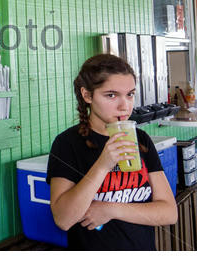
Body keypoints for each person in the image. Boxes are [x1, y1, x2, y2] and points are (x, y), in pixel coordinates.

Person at [47, 54, 177, 250]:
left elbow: (169, 213)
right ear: (87, 95)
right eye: (111, 95)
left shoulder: (141, 139)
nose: (124, 106)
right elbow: (64, 219)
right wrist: (102, 165)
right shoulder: (67, 143)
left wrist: (110, 209)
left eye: (130, 94)